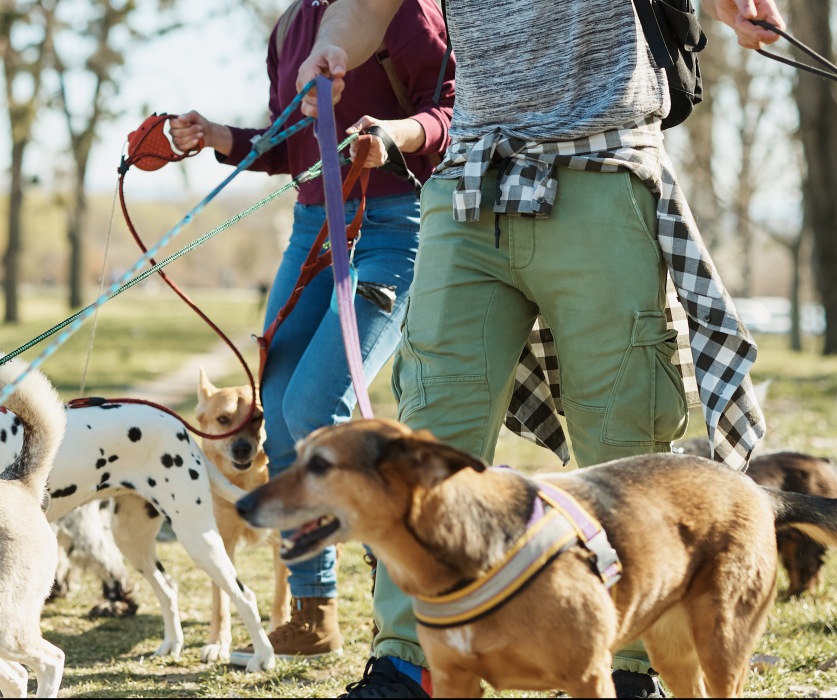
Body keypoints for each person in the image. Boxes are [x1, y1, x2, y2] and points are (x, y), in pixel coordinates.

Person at [293, 0, 785, 697]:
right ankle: (409, 662)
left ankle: (630, 663)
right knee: (428, 432)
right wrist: (333, 45)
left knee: (622, 428)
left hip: (601, 168)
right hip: (469, 182)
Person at [167, 0, 455, 665]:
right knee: (277, 400)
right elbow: (289, 141)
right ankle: (313, 612)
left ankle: (382, 567)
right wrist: (217, 135)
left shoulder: (407, 11)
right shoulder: (291, 24)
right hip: (311, 229)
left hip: (391, 228)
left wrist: (394, 135)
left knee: (312, 407)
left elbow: (448, 111)